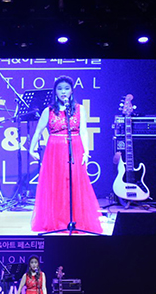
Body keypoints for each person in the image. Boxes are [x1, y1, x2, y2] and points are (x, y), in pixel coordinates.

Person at [29, 76, 102, 233]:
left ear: (71, 91)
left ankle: (75, 220)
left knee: (74, 183)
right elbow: (38, 131)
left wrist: (86, 152)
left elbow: (83, 132)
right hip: (54, 151)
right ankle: (58, 221)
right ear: (55, 91)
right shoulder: (49, 111)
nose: (63, 92)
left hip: (74, 148)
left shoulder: (79, 109)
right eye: (60, 89)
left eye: (66, 88)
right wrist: (31, 149)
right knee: (56, 184)